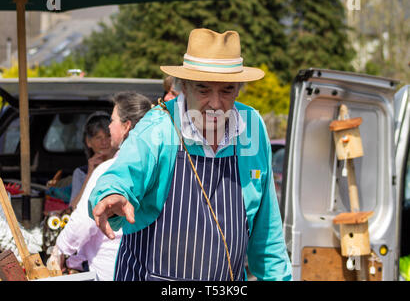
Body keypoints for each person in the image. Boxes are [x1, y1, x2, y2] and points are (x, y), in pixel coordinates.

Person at [89, 28, 292, 281]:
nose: (216, 103)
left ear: (239, 88)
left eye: (227, 90)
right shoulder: (158, 127)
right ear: (183, 86)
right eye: (204, 90)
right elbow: (122, 175)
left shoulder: (251, 127)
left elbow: (267, 232)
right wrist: (112, 194)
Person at [49, 91, 152, 281]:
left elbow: (83, 222)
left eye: (112, 121)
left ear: (126, 126)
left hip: (112, 268)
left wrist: (60, 250)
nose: (110, 127)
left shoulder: (110, 170)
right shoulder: (162, 165)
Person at [69, 112, 114, 209]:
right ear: (88, 142)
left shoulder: (121, 165)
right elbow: (73, 208)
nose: (104, 142)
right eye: (98, 138)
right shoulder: (81, 173)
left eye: (108, 136)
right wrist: (90, 174)